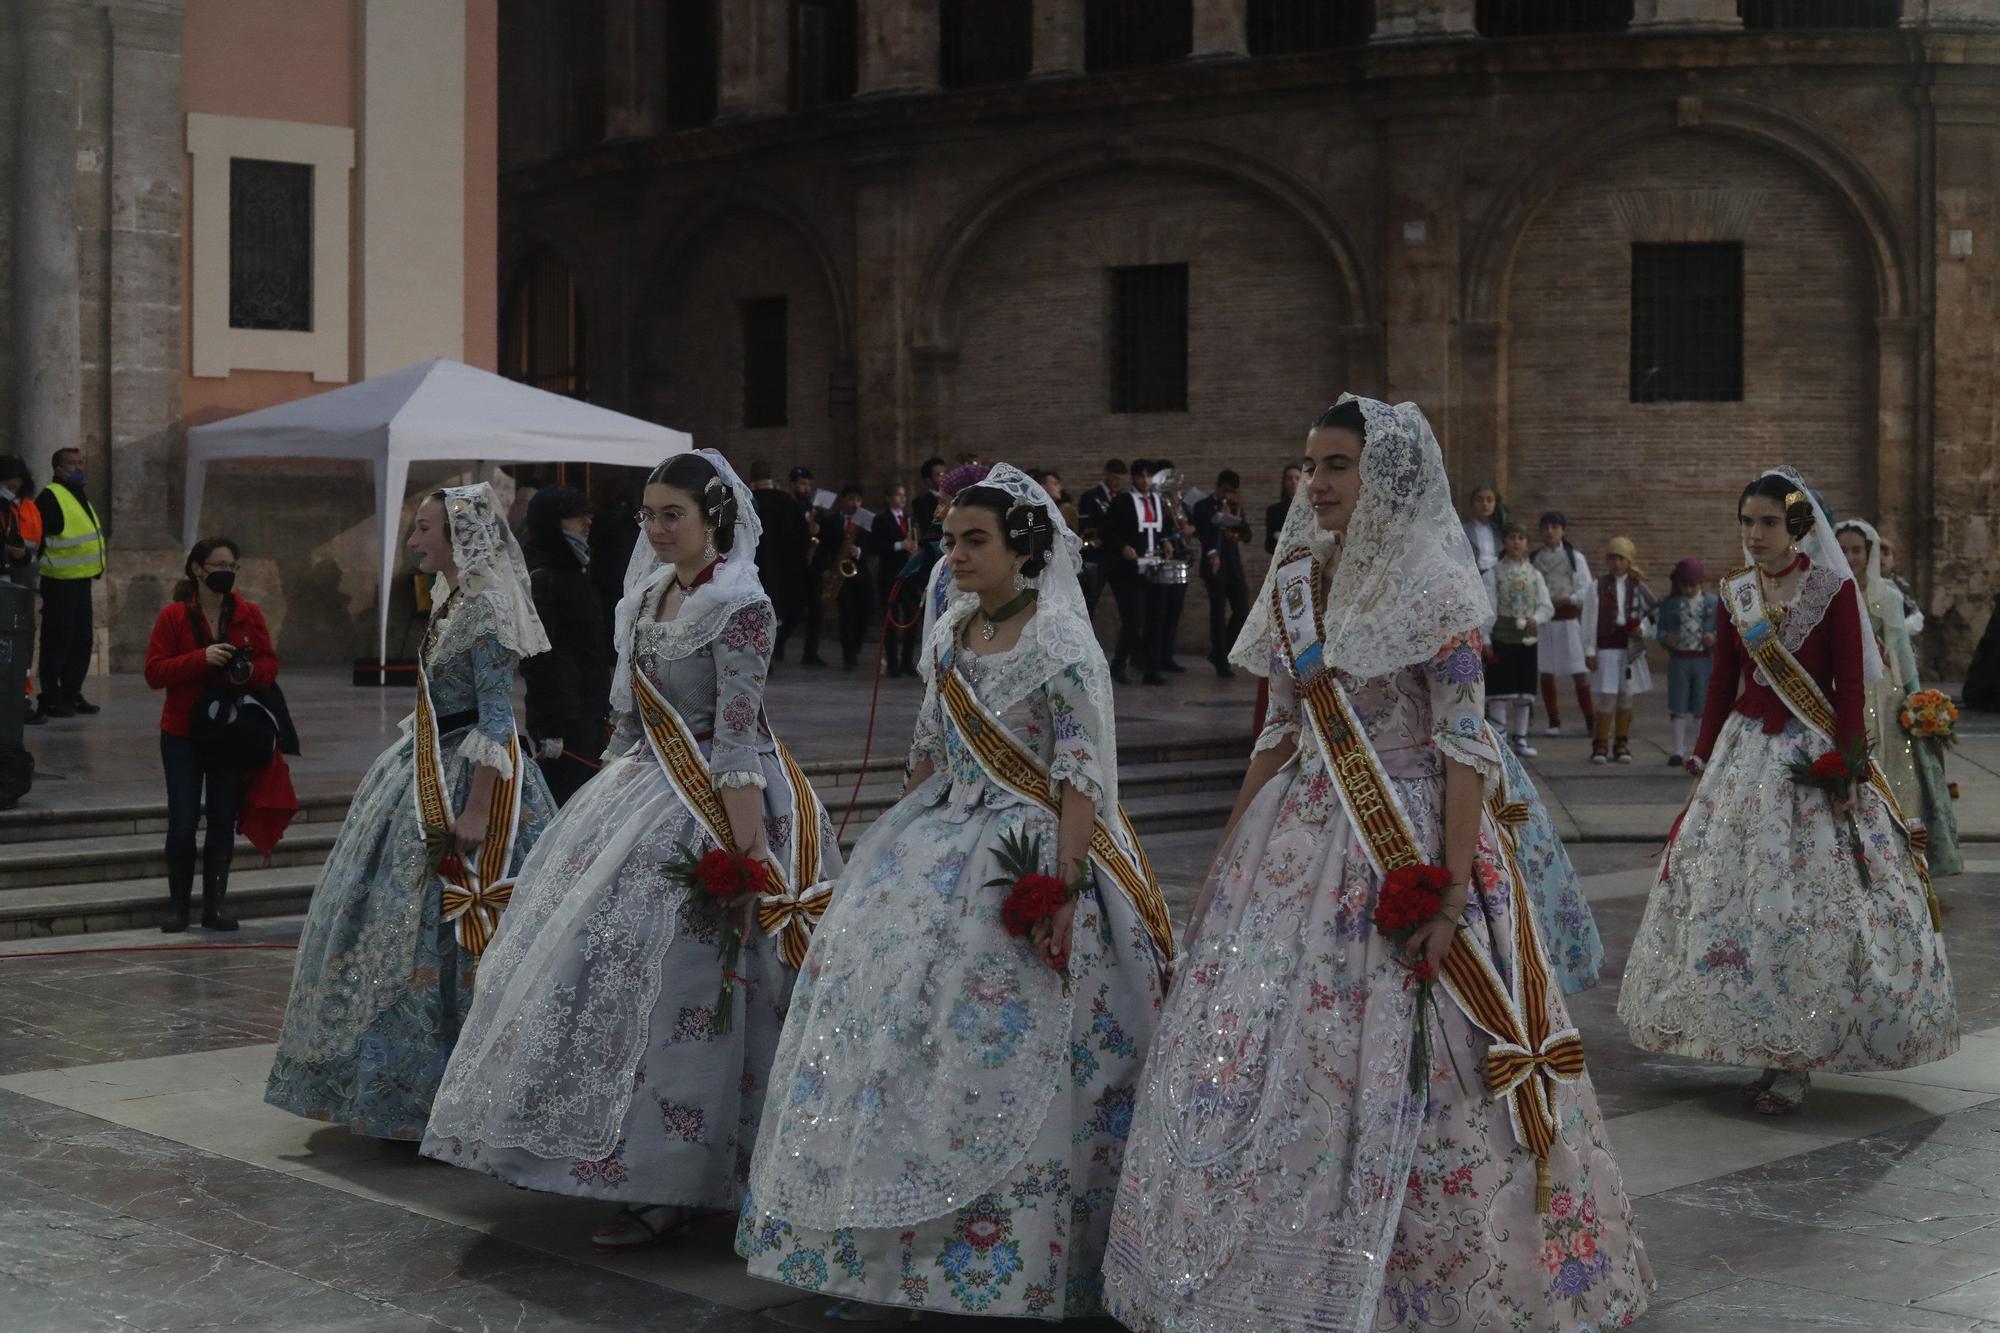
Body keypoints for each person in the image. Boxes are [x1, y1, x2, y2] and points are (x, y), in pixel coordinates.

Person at [1103, 396, 1648, 1331]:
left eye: (1337, 464)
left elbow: (1467, 743)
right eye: (1310, 464)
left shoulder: (1436, 585)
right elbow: (1276, 735)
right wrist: (1229, 860)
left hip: (1411, 829)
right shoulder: (1293, 582)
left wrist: (1445, 890)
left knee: (1431, 1053)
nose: (1316, 482)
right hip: (1300, 835)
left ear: (1385, 474)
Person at [738, 465, 1174, 1321]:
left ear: (1025, 546)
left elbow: (1082, 774)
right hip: (942, 838)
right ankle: (891, 1252)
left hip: (1038, 846)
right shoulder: (947, 633)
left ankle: (1024, 1255)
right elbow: (931, 747)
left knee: (1014, 1050)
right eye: (950, 538)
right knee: (897, 1036)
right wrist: (893, 853)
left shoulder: (1061, 642)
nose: (958, 553)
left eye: (977, 539)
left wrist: (1064, 884)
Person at [425, 451, 843, 1248]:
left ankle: (698, 1172)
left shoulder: (741, 603)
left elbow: (739, 733)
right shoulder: (649, 591)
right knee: (603, 972)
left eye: (671, 514)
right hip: (644, 791)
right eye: (648, 514)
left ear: (711, 517)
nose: (654, 528)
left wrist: (746, 855)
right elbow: (631, 716)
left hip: (724, 799)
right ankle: (628, 1158)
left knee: (700, 990)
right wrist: (598, 804)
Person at [1622, 470, 1957, 1115]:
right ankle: (1755, 1037)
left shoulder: (1831, 591)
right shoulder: (1736, 592)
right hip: (1743, 758)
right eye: (1746, 521)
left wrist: (1849, 765)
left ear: (1797, 525)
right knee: (1732, 898)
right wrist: (1703, 754)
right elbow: (1722, 678)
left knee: (1804, 907)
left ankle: (1798, 1056)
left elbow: (1851, 689)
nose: (1754, 534)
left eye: (1768, 522)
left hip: (1810, 756)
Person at [266, 484, 558, 1139]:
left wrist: (479, 809)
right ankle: (399, 1085)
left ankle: (452, 1089)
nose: (415, 540)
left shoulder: (484, 605)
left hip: (473, 780)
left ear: (461, 538)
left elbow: (494, 714)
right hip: (430, 762)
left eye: (425, 529)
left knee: (451, 936)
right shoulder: (451, 597)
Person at [142, 537, 287, 932]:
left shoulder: (247, 613)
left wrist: (250, 673)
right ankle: (177, 906)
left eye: (232, 565)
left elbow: (269, 663)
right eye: (218, 564)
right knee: (184, 818)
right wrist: (199, 659)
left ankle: (214, 906)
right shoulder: (174, 617)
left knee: (223, 817)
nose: (226, 571)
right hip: (183, 732)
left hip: (230, 732)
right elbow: (155, 672)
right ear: (197, 569)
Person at [1838, 520, 1962, 877]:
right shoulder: (1826, 594)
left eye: (1856, 550)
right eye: (1842, 549)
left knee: (1897, 773)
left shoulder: (1888, 596)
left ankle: (1902, 861)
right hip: (1842, 693)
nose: (1849, 557)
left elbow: (1902, 655)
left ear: (1869, 553)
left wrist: (1919, 699)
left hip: (1884, 695)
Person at [520, 486, 613, 805]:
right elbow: (540, 657)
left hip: (588, 710)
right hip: (565, 718)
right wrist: (548, 727)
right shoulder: (544, 576)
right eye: (575, 516)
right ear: (552, 522)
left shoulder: (575, 570)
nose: (587, 522)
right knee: (567, 802)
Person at [35, 445, 104, 718]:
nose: (79, 467)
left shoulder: (78, 495)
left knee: (81, 639)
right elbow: (39, 540)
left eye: (80, 462)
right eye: (73, 463)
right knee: (57, 640)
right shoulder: (51, 497)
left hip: (80, 581)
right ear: (58, 468)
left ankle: (71, 692)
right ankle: (51, 696)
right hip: (59, 582)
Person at [1482, 520, 1555, 757]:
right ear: (1504, 542)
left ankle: (1521, 738)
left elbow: (1546, 606)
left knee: (1524, 692)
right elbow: (1488, 607)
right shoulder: (1494, 573)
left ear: (1526, 544)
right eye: (1512, 537)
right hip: (1502, 638)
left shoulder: (1535, 575)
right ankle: (1499, 739)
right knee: (1500, 691)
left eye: (1521, 538)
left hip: (1526, 640)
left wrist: (1537, 617)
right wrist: (1485, 638)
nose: (1516, 542)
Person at [1581, 536, 1656, 765]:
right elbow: (1589, 620)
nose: (1616, 563)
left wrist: (1642, 629)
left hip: (1630, 650)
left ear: (1629, 561)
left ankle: (1621, 743)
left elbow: (1654, 614)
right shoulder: (1598, 586)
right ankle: (1600, 744)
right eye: (1612, 557)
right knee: (1607, 698)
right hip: (1607, 649)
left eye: (1620, 558)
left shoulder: (1639, 587)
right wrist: (1589, 650)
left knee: (1626, 697)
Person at [1102, 457, 1173, 685]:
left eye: (1148, 476)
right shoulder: (1123, 501)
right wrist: (1123, 546)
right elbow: (1108, 531)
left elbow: (1164, 529)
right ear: (1133, 478)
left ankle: (1151, 669)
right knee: (1133, 620)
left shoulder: (1158, 500)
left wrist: (1167, 541)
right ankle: (1119, 664)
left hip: (1155, 567)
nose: (1145, 480)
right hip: (1130, 570)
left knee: (1156, 618)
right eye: (1141, 476)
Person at [1531, 511, 1595, 737]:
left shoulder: (1574, 557)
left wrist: (1569, 599)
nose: (1550, 531)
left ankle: (1590, 719)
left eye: (1554, 527)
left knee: (1579, 671)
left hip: (1568, 621)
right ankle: (1553, 721)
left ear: (1563, 530)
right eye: (1546, 527)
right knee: (1546, 673)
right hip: (1545, 622)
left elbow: (1586, 588)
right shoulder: (1535, 559)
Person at [1656, 557, 1718, 769]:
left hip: (1702, 659)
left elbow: (1724, 630)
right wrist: (1666, 638)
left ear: (1701, 583)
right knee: (1678, 704)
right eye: (1685, 585)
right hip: (1679, 659)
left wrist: (1714, 636)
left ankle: (1698, 750)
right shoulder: (1670, 604)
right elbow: (1661, 630)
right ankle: (1678, 749)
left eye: (1693, 585)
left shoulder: (1712, 603)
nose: (1689, 589)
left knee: (1702, 705)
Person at [1190, 468, 1252, 678]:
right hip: (1213, 564)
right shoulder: (1202, 506)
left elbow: (1246, 534)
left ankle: (1220, 651)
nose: (1227, 494)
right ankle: (1221, 661)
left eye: (1231, 491)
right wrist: (1212, 548)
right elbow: (1203, 534)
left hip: (1233, 564)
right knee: (1217, 613)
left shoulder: (1235, 506)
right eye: (1225, 490)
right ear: (1218, 486)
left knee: (1242, 609)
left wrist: (1236, 520)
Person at [871, 483, 922, 676]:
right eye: (898, 495)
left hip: (908, 576)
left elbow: (916, 540)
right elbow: (877, 546)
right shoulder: (881, 519)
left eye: (904, 495)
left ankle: (907, 662)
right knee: (890, 620)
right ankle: (892, 663)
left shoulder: (909, 518)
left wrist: (914, 549)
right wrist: (901, 544)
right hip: (890, 575)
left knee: (911, 618)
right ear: (888, 498)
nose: (902, 498)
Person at [783, 466, 830, 667]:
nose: (807, 488)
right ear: (792, 485)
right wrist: (805, 530)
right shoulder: (788, 506)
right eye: (803, 484)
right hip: (794, 566)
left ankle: (810, 652)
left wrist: (818, 529)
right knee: (794, 612)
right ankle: (779, 644)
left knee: (816, 610)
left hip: (813, 567)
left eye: (809, 484)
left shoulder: (813, 508)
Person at [1458, 481, 1505, 575]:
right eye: (1479, 500)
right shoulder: (1463, 531)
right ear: (1472, 504)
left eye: (1489, 500)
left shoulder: (1500, 530)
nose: (1485, 504)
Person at [1264, 462, 1300, 555]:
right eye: (1289, 478)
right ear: (1284, 483)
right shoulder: (1273, 511)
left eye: (1297, 478)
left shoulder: (1313, 509)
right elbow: (1268, 545)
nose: (1293, 482)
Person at [910, 455, 947, 537]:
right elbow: (928, 528)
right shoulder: (920, 502)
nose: (945, 477)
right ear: (929, 481)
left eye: (945, 473)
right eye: (940, 474)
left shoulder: (955, 496)